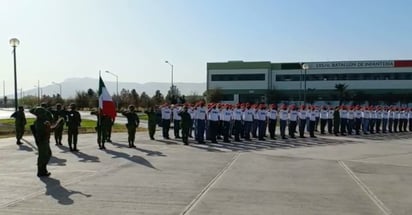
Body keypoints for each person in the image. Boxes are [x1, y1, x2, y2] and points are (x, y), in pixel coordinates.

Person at [30, 104, 53, 177]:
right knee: (43, 156)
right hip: (42, 140)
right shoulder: (39, 122)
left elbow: (48, 129)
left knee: (48, 154)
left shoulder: (42, 121)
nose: (44, 114)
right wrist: (50, 128)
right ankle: (41, 171)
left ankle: (43, 169)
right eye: (43, 113)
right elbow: (44, 131)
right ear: (40, 114)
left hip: (45, 139)